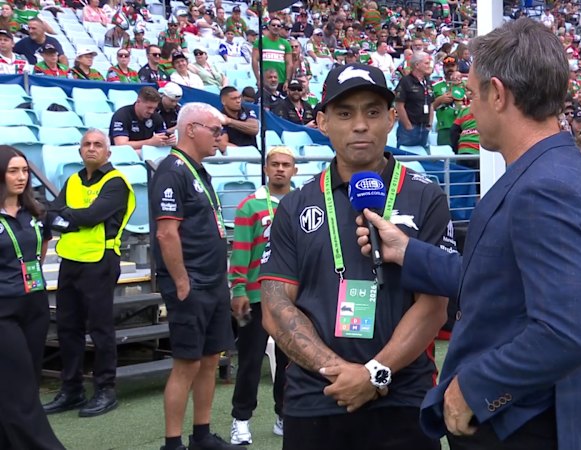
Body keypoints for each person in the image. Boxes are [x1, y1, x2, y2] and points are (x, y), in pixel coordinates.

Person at [355, 19, 581, 450]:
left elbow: (566, 333)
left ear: (497, 94)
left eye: (472, 95)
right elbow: (496, 280)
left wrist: (473, 389)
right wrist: (407, 252)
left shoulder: (545, 187)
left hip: (518, 429)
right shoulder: (558, 171)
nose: (469, 109)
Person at [259, 63, 454, 450]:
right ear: (322, 122)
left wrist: (374, 373)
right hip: (317, 398)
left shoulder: (426, 196)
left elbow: (434, 306)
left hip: (402, 397)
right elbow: (276, 307)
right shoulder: (295, 206)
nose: (360, 125)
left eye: (373, 112)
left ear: (392, 118)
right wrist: (342, 373)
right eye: (345, 113)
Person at [150, 103, 239, 450]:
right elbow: (166, 233)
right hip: (192, 283)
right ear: (191, 129)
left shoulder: (198, 171)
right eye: (214, 130)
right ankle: (172, 443)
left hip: (212, 281)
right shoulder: (172, 171)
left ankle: (201, 435)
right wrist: (182, 281)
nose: (219, 137)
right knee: (186, 363)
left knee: (210, 359)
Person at [42, 129, 135, 418]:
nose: (91, 148)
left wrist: (68, 216)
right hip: (70, 261)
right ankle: (72, 389)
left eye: (97, 144)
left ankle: (105, 389)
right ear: (80, 150)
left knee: (100, 327)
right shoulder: (72, 180)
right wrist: (74, 218)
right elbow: (50, 215)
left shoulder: (116, 182)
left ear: (108, 151)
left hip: (100, 261)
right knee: (67, 327)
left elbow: (92, 216)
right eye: (87, 144)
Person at [228, 146, 296, 445]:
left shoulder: (302, 203)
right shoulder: (250, 206)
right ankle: (241, 420)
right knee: (251, 361)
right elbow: (240, 251)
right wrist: (238, 288)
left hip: (291, 297)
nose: (280, 169)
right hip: (256, 297)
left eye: (286, 164)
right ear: (266, 169)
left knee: (290, 361)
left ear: (294, 170)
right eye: (275, 164)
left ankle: (284, 415)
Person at [0, 146, 66, 450]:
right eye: (13, 171)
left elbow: (40, 250)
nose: (21, 177)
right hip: (4, 310)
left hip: (35, 304)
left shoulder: (36, 211)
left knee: (26, 380)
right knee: (19, 385)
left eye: (25, 171)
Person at [110, 86, 174, 153]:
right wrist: (150, 142)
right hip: (123, 155)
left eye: (154, 108)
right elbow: (121, 145)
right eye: (149, 107)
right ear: (138, 101)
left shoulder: (156, 116)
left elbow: (163, 136)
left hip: (147, 154)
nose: (151, 111)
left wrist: (169, 140)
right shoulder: (122, 115)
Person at [395, 51, 436, 148]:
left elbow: (431, 104)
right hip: (409, 129)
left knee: (421, 155)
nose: (429, 66)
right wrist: (408, 125)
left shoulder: (427, 82)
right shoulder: (405, 81)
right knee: (405, 155)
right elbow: (399, 106)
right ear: (417, 65)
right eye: (426, 63)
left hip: (424, 127)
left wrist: (430, 123)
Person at [253, 17, 294, 91]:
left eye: (278, 26)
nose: (276, 27)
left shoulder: (286, 43)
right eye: (273, 25)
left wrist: (287, 81)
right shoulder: (260, 41)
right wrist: (258, 78)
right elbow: (254, 60)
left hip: (281, 81)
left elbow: (289, 63)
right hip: (265, 82)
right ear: (268, 26)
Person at [218, 86, 258, 150]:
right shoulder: (220, 118)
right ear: (223, 101)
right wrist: (243, 152)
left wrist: (230, 121)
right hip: (234, 155)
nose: (238, 101)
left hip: (254, 153)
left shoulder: (247, 110)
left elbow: (254, 129)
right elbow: (222, 144)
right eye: (234, 98)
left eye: (239, 97)